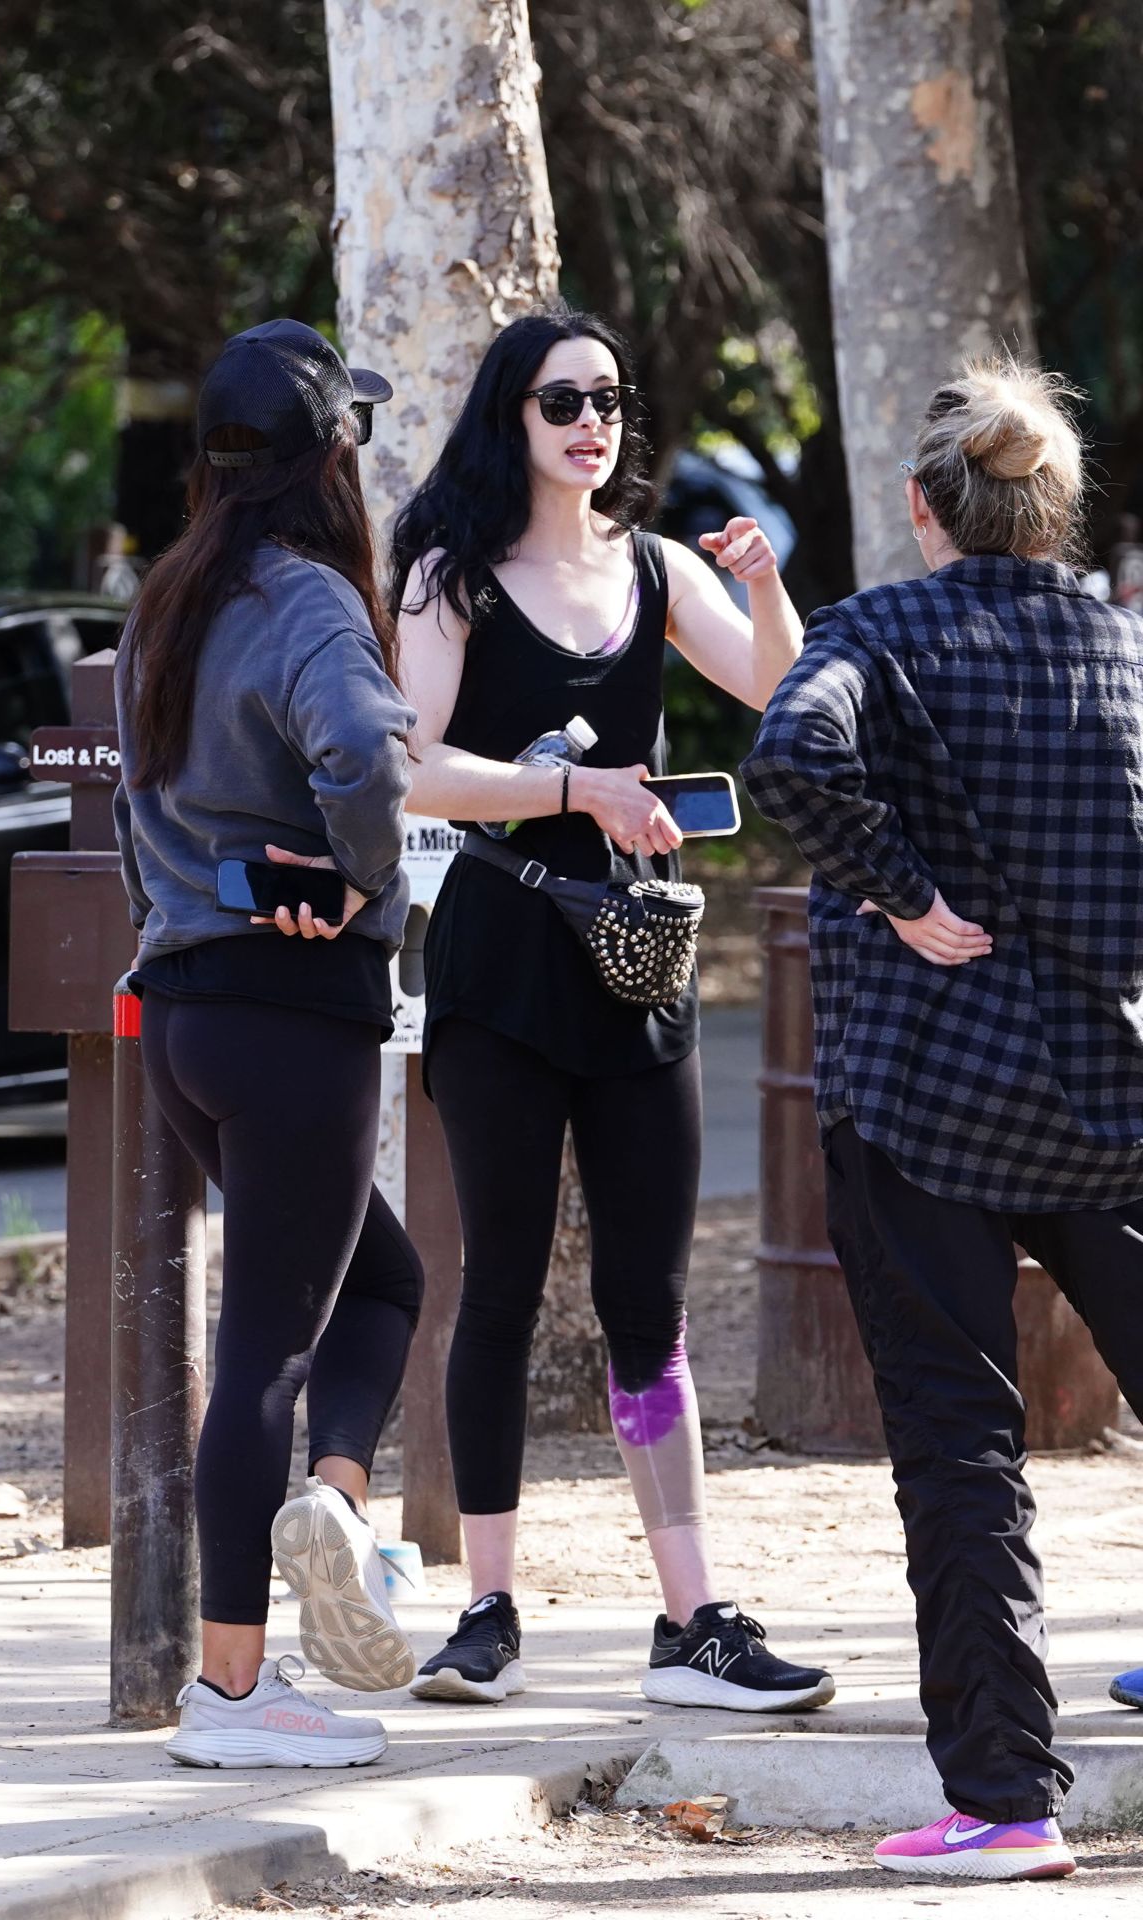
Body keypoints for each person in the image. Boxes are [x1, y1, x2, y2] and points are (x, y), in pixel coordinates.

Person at [386, 302, 832, 1713]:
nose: (595, 425)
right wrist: (583, 789)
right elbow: (413, 774)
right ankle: (488, 1610)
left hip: (634, 965)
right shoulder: (451, 578)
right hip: (499, 968)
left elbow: (784, 686)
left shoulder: (651, 566)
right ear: (511, 414)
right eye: (566, 401)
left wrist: (761, 586)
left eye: (614, 403)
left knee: (652, 1298)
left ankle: (694, 1620)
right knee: (502, 1289)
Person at [741, 355, 1143, 1881]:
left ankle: (1006, 1799)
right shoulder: (1121, 650)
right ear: (1052, 511)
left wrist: (903, 895)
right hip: (1109, 1096)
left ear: (925, 506)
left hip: (922, 1105)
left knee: (962, 1456)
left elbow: (792, 749)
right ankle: (1003, 1797)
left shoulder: (874, 630)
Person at [113, 319, 424, 1770]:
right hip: (291, 1012)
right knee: (264, 1356)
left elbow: (136, 807)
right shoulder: (308, 602)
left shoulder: (168, 595)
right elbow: (366, 755)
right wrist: (363, 877)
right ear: (327, 461)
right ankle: (233, 1695)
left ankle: (337, 1510)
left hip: (178, 1005)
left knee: (383, 1279)